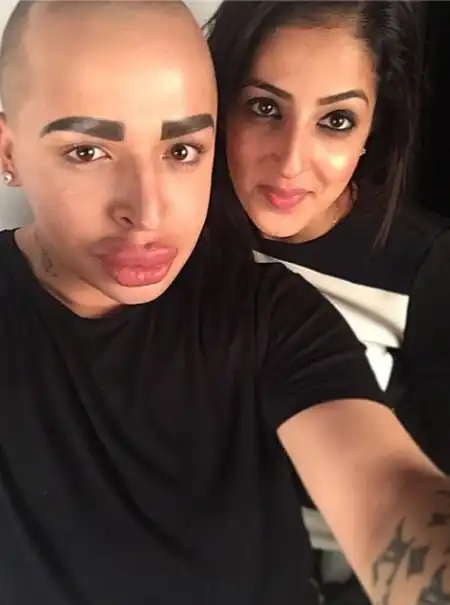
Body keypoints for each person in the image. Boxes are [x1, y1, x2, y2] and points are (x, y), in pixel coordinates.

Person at [1, 2, 450, 605]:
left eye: (181, 150)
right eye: (88, 151)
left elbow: (388, 486)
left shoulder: (272, 310)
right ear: (8, 152)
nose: (148, 212)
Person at [206, 0, 450, 601]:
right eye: (265, 108)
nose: (291, 162)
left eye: (336, 120)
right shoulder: (176, 231)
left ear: (372, 130)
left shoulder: (425, 265)